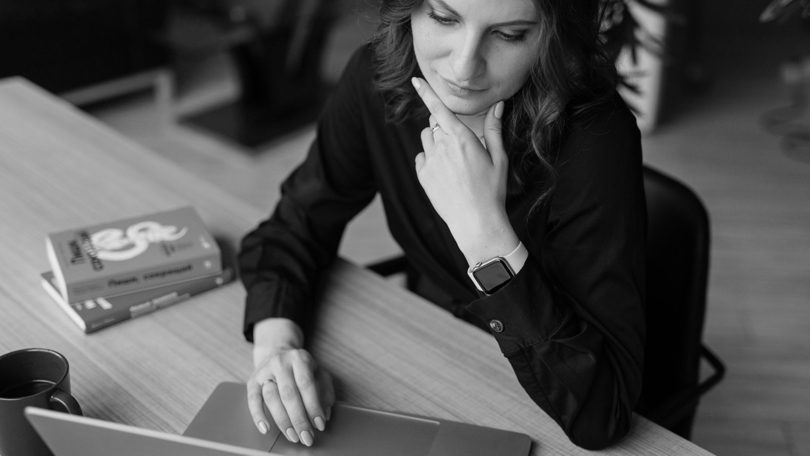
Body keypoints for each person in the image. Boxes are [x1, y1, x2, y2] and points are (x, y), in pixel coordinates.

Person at [238, 0, 646, 450]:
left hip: (542, 395)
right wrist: (277, 347)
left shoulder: (597, 140)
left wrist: (485, 233)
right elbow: (297, 223)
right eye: (444, 18)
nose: (464, 66)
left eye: (509, 35)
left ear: (553, 38)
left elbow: (602, 414)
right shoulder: (377, 77)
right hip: (436, 355)